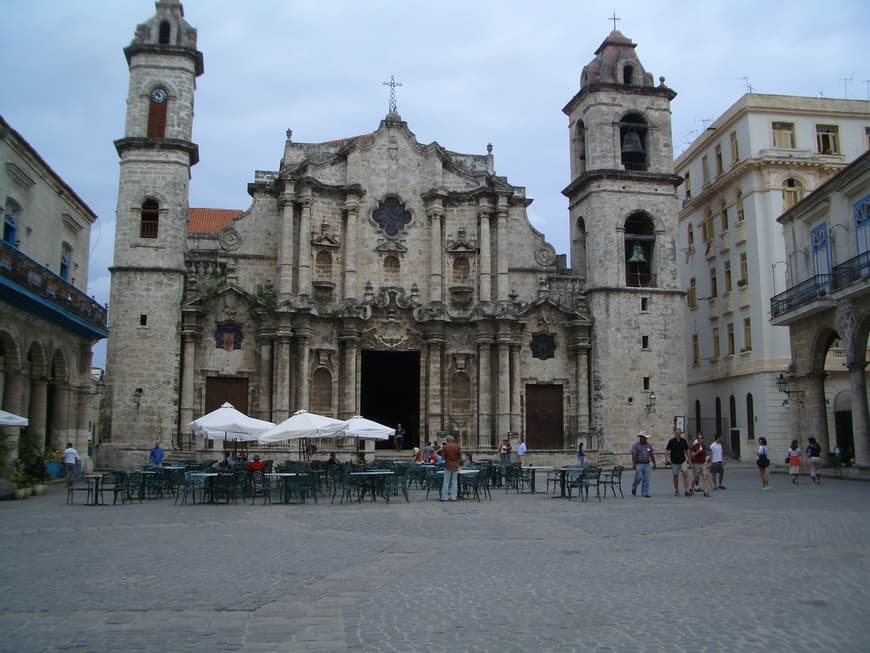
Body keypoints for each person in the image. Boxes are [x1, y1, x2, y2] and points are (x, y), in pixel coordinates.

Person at [665, 427, 691, 496]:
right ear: (675, 433)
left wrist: (690, 459)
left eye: (678, 433)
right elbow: (667, 450)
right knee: (675, 475)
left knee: (685, 474)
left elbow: (687, 451)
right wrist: (666, 459)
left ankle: (686, 490)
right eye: (676, 433)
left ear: (680, 433)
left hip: (682, 460)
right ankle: (676, 490)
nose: (677, 434)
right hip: (674, 461)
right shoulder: (671, 441)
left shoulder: (683, 441)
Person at [630, 431, 656, 497]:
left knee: (646, 479)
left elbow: (651, 455)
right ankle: (634, 486)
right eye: (641, 437)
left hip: (647, 464)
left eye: (644, 438)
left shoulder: (649, 446)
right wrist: (634, 464)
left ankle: (645, 493)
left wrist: (654, 463)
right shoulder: (636, 445)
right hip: (639, 464)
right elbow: (634, 454)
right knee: (639, 477)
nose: (643, 439)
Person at [440, 435, 462, 502]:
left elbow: (443, 458)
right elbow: (460, 456)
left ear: (447, 440)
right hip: (455, 465)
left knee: (446, 481)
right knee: (454, 481)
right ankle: (453, 497)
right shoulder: (457, 446)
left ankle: (445, 497)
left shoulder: (445, 447)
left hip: (448, 465)